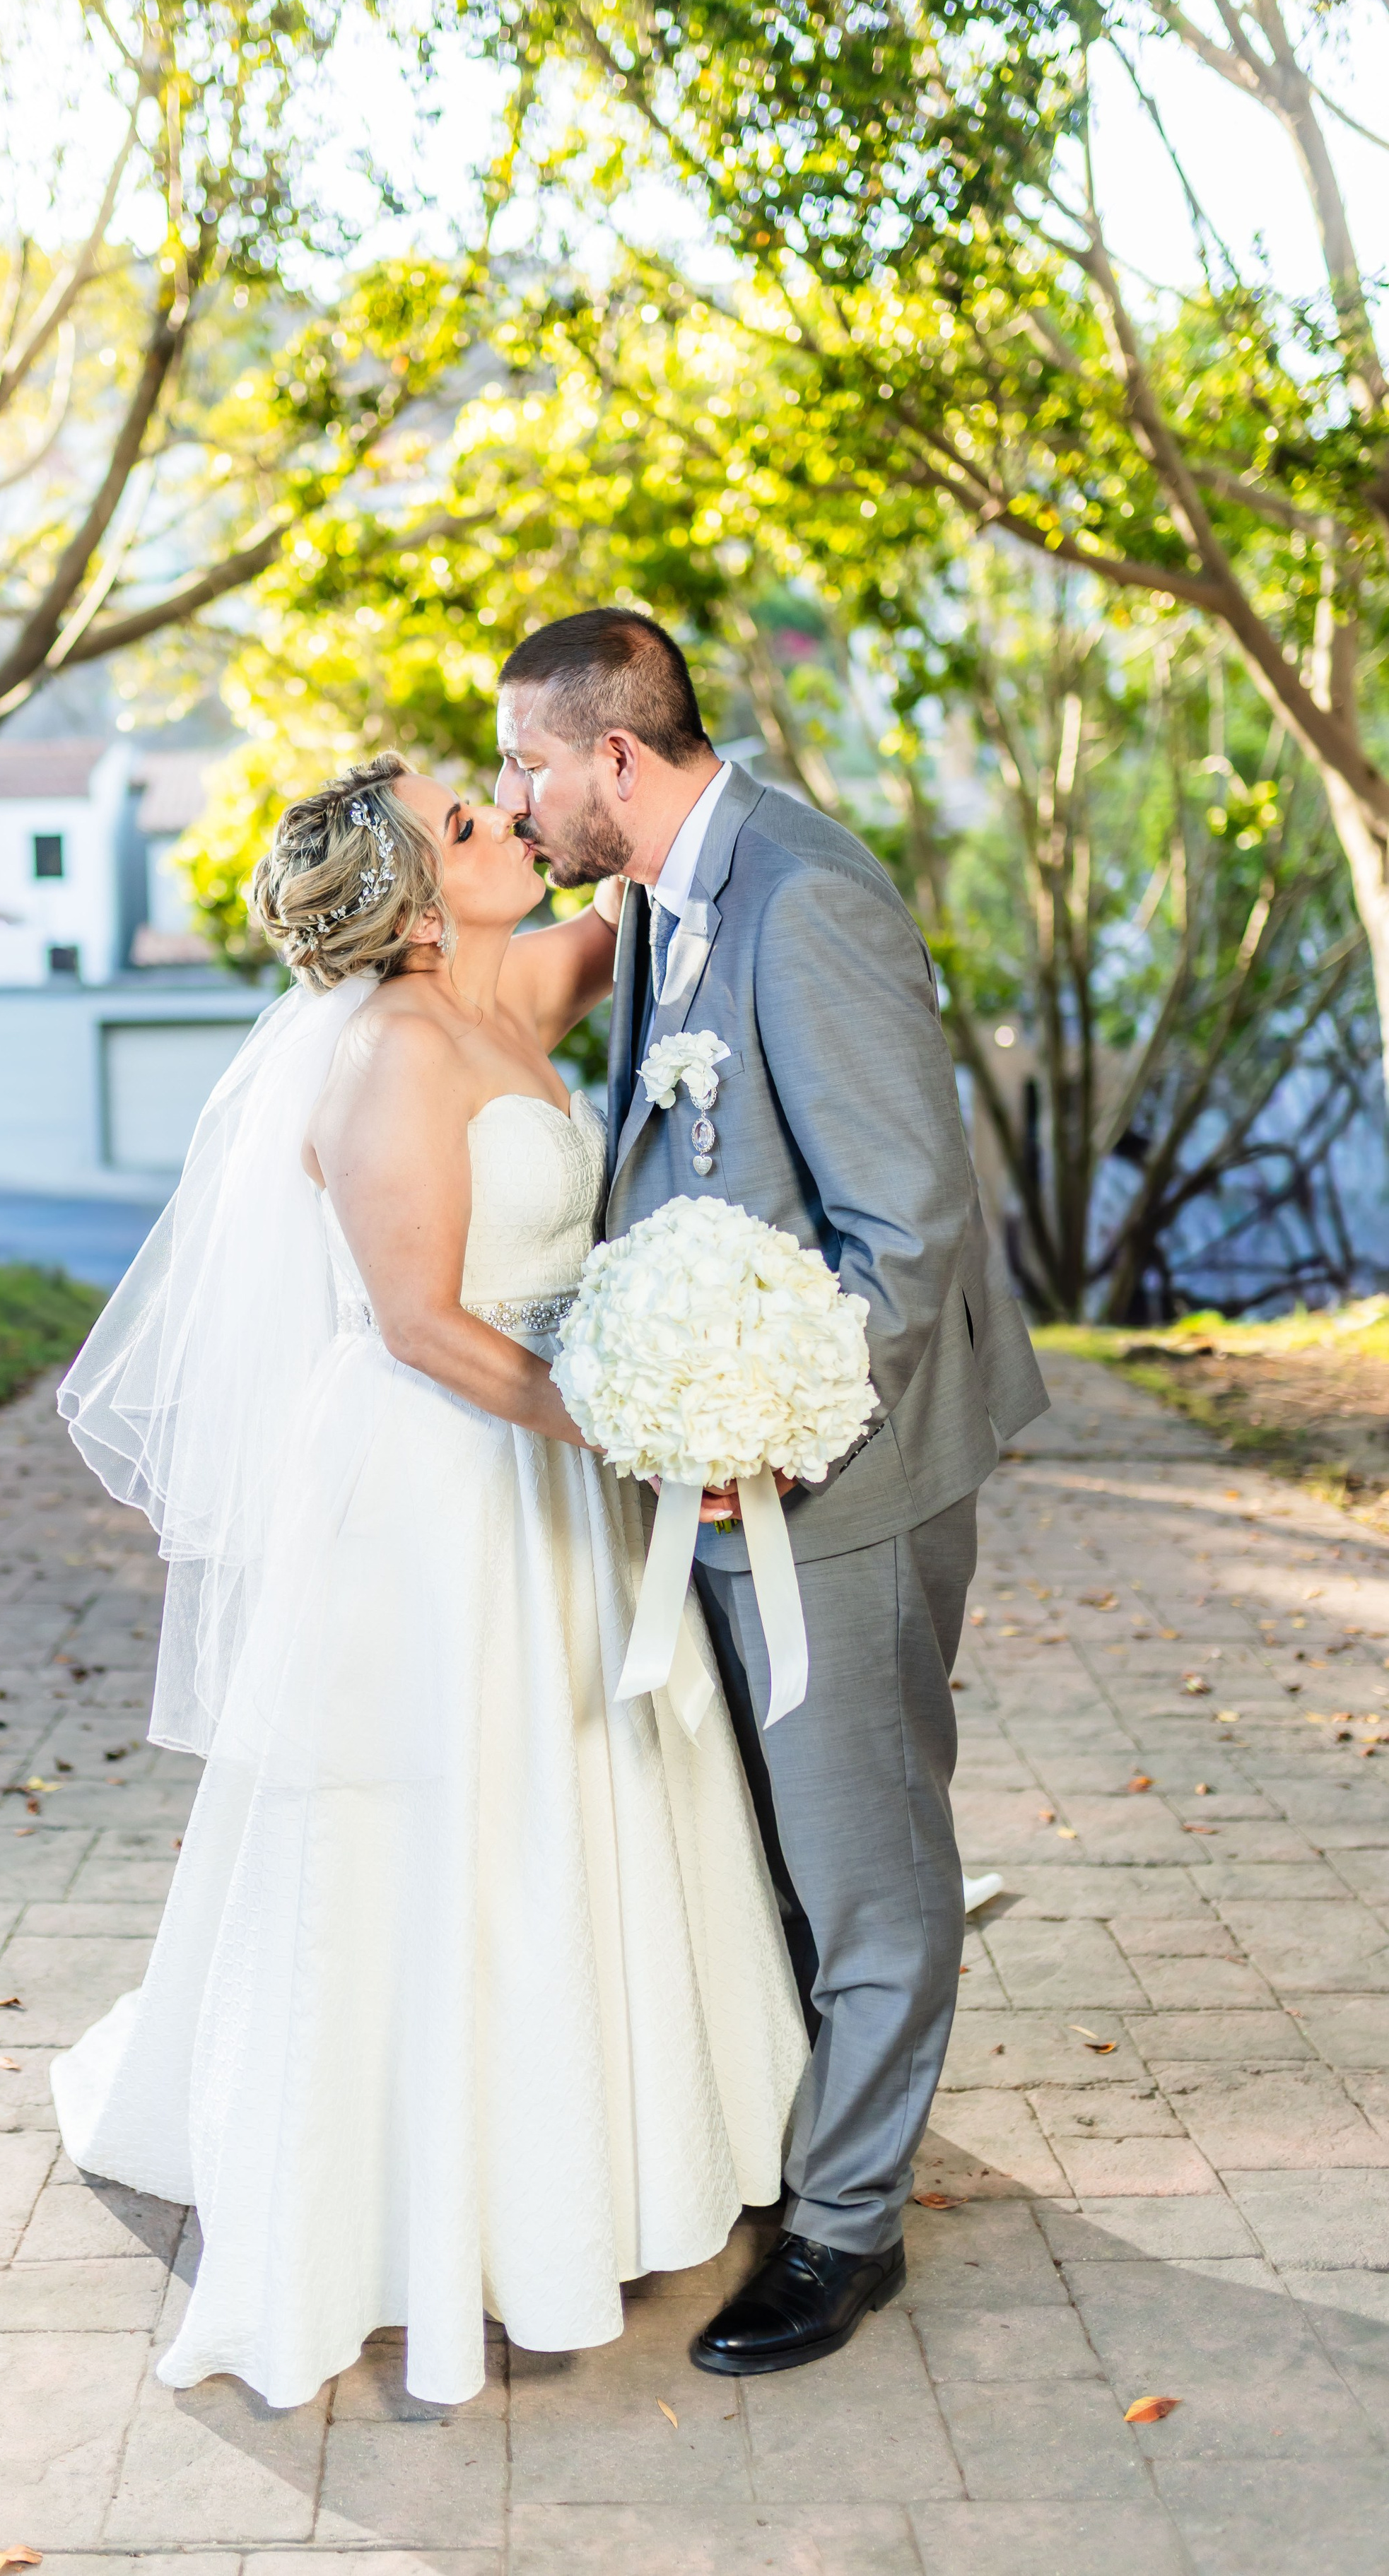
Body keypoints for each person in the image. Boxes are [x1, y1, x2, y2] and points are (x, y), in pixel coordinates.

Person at [50, 753, 805, 2410]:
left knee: (592, 1798)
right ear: (405, 898)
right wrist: (627, 1424)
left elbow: (643, 882)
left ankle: (629, 2142)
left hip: (553, 1448)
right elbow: (418, 1324)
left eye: (494, 797)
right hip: (447, 1475)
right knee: (453, 1820)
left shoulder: (515, 979)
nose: (507, 824)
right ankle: (432, 2190)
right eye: (472, 822)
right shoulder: (388, 1054)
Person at [496, 610, 1049, 2376]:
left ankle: (843, 2232)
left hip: (833, 1467)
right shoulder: (659, 891)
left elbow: (908, 1226)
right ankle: (835, 2137)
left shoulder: (801, 898)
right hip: (719, 1458)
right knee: (784, 1845)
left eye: (525, 764)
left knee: (866, 1854)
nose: (514, 801)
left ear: (613, 759)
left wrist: (767, 1427)